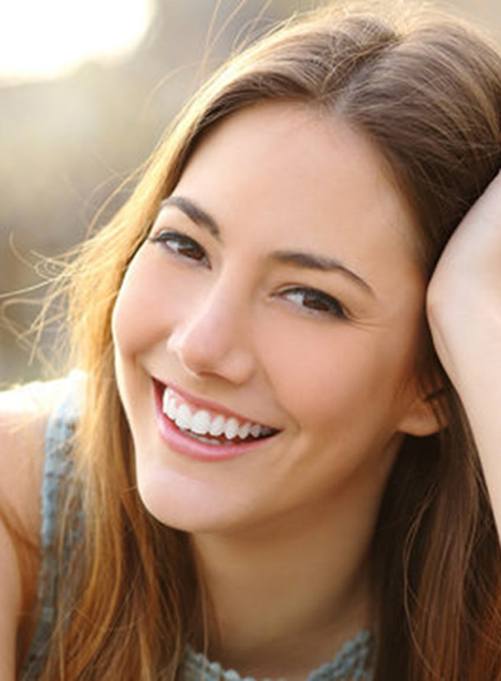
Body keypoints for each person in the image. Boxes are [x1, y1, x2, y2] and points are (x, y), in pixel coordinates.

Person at [1, 1, 500, 679]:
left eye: (310, 298)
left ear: (435, 380)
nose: (202, 343)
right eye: (183, 244)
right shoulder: (15, 508)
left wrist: (475, 298)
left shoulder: (477, 616)